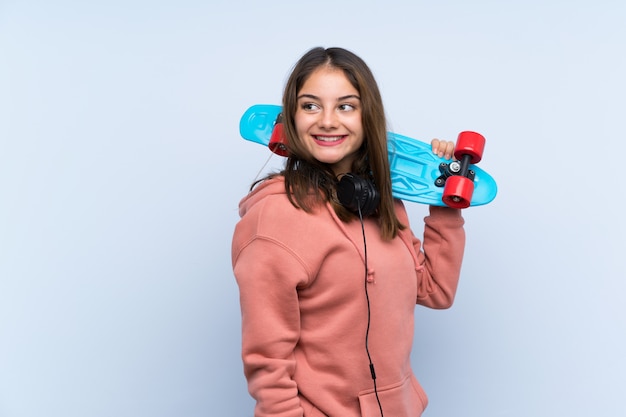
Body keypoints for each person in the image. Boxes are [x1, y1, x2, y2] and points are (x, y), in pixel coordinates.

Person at [231, 46, 466, 417]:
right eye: (310, 105)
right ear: (291, 118)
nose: (327, 120)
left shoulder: (376, 201)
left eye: (345, 106)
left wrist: (443, 201)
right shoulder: (274, 219)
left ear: (366, 116)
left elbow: (435, 291)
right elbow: (268, 360)